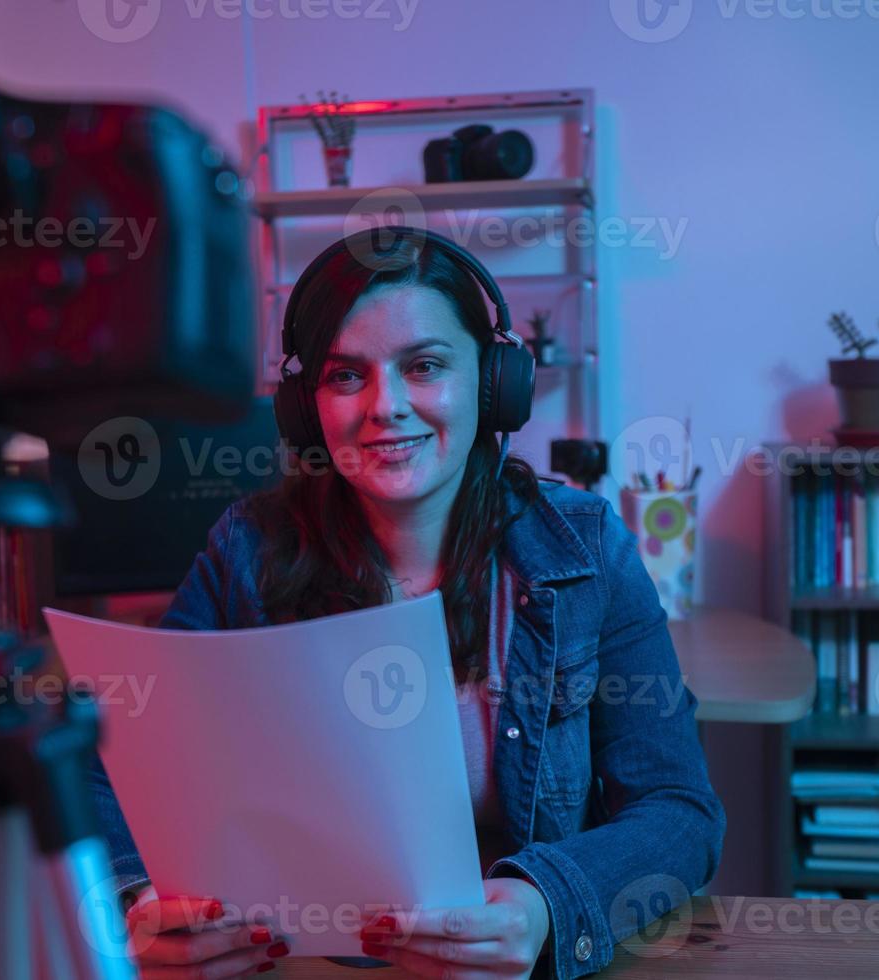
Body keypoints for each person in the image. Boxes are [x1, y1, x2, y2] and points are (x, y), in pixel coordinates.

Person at [87, 229, 726, 980]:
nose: (385, 407)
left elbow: (679, 811)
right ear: (304, 406)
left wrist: (543, 904)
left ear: (492, 385)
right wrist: (139, 900)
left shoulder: (585, 550)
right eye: (346, 376)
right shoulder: (247, 551)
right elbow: (108, 766)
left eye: (424, 366)